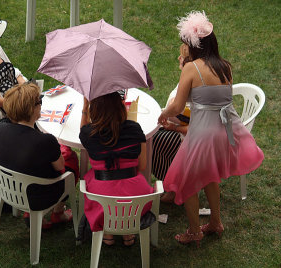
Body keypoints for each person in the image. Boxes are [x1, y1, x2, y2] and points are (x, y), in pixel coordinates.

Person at [158, 11, 264, 246]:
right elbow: (208, 96)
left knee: (187, 182)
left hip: (203, 134)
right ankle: (215, 222)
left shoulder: (192, 69)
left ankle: (195, 231)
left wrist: (163, 115)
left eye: (184, 44)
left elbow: (177, 105)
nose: (182, 47)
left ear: (192, 45)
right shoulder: (225, 66)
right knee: (210, 177)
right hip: (225, 132)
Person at [0, 83, 75, 228]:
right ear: (32, 109)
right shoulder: (45, 141)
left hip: (8, 190)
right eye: (39, 102)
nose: (41, 105)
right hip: (38, 197)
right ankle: (58, 213)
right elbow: (60, 166)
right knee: (71, 165)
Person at [80, 92, 154, 246]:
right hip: (136, 201)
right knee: (124, 190)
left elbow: (83, 130)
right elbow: (142, 166)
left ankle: (107, 233)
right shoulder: (134, 129)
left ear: (95, 110)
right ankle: (128, 231)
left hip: (102, 202)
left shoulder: (89, 134)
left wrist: (85, 107)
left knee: (91, 177)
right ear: (120, 107)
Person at [152, 43, 190, 203]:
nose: (178, 58)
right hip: (179, 129)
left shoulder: (193, 86)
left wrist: (174, 127)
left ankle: (175, 187)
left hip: (191, 140)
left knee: (153, 142)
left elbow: (196, 128)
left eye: (182, 56)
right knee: (150, 136)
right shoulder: (187, 78)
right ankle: (171, 182)